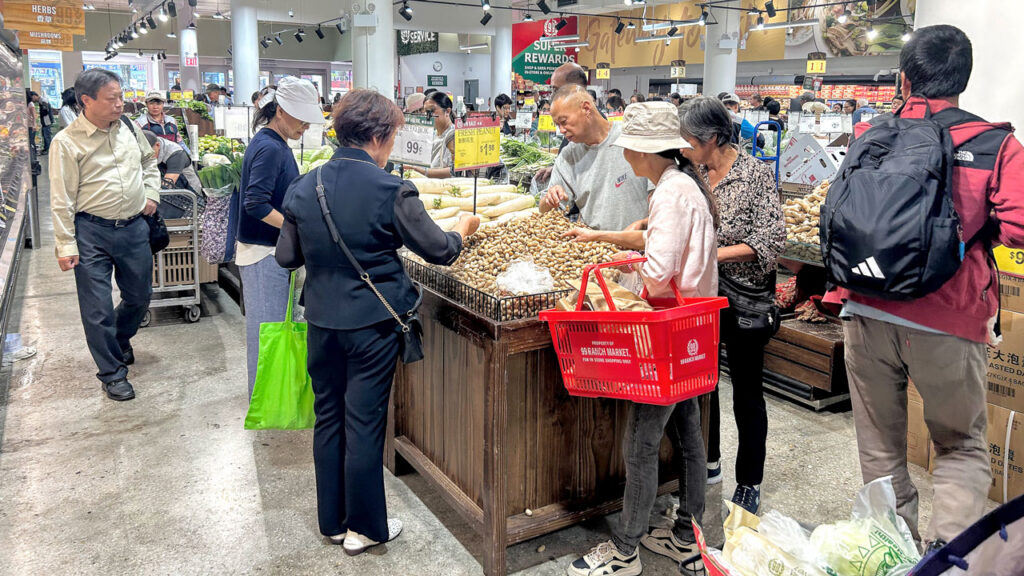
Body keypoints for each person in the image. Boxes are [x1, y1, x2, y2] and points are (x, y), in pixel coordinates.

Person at [830, 24, 1024, 549]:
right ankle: (946, 560)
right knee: (960, 445)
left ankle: (891, 551)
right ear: (963, 78)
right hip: (949, 315)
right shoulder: (995, 144)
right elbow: (1020, 227)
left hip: (865, 306)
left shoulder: (871, 134)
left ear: (904, 79)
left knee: (879, 447)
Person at [275, 89, 480, 555]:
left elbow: (287, 257)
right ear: (376, 137)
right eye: (392, 137)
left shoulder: (304, 186)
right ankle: (366, 528)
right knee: (364, 424)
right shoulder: (391, 189)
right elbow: (439, 250)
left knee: (328, 418)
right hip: (372, 326)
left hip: (322, 323)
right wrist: (462, 230)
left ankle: (333, 521)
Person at [566, 101, 718, 576]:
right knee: (688, 433)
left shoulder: (669, 193)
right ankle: (687, 537)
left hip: (665, 329)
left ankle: (625, 549)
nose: (625, 154)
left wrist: (615, 271)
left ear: (645, 152)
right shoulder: (684, 184)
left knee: (641, 441)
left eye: (629, 148)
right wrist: (623, 239)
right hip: (694, 325)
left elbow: (657, 273)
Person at [679, 96, 784, 514]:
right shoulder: (692, 174)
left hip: (745, 300)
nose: (684, 147)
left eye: (690, 140)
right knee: (703, 384)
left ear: (712, 138)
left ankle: (750, 480)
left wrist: (712, 255)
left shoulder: (754, 174)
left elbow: (770, 239)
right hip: (702, 297)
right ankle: (709, 461)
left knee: (746, 392)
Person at [48, 68, 161, 402]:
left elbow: (148, 162)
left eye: (121, 97)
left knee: (139, 297)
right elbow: (61, 199)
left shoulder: (129, 127)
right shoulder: (67, 142)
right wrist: (65, 245)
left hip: (133, 228)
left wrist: (151, 193)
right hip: (90, 232)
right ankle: (112, 373)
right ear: (86, 100)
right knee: (96, 308)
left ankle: (119, 339)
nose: (120, 104)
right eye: (112, 99)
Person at [236, 78, 325, 396]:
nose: (305, 126)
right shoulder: (270, 147)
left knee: (272, 333)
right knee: (269, 336)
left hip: (268, 254)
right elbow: (255, 203)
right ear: (281, 110)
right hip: (263, 255)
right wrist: (295, 226)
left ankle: (273, 400)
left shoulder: (272, 142)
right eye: (301, 118)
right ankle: (265, 405)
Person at [540, 86, 649, 232]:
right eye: (557, 125)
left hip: (641, 243)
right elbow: (544, 211)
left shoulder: (631, 136)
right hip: (596, 244)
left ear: (586, 108)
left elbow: (662, 198)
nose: (561, 130)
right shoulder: (568, 156)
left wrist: (644, 225)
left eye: (564, 121)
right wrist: (550, 199)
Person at [409, 91, 456, 178]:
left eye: (431, 111)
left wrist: (421, 171)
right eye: (425, 112)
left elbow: (454, 171)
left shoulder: (453, 136)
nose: (427, 116)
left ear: (447, 111)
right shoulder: (431, 135)